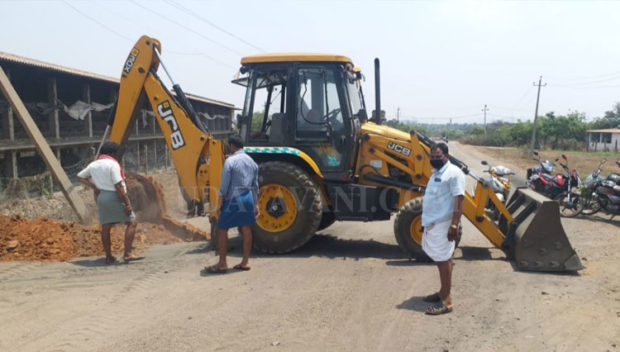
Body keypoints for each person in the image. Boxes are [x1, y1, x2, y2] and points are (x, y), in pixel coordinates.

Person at [77, 142, 143, 264]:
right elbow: (118, 185)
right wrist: (127, 204)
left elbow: (80, 176)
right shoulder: (113, 164)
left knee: (106, 227)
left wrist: (94, 187)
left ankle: (108, 256)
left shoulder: (93, 165)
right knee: (132, 222)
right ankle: (128, 253)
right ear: (113, 153)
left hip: (102, 197)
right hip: (114, 196)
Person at [421, 142, 465, 315]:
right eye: (432, 157)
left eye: (438, 156)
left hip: (443, 224)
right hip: (433, 223)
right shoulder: (437, 172)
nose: (434, 159)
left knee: (443, 261)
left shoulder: (454, 173)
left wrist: (454, 224)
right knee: (444, 260)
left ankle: (446, 302)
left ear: (446, 155)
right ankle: (442, 292)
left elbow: (459, 200)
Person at [206, 135, 259, 273]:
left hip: (234, 198)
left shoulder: (230, 161)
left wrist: (219, 203)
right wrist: (256, 204)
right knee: (246, 228)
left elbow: (224, 185)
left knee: (222, 228)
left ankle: (222, 263)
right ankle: (245, 262)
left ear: (232, 146)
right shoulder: (252, 162)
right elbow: (255, 185)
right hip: (248, 197)